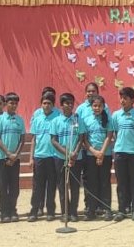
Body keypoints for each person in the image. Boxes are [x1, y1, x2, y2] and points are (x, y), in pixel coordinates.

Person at [51, 93, 87, 223]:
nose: (70, 105)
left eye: (72, 103)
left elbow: (81, 138)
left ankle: (73, 212)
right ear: (61, 105)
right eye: (67, 103)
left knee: (75, 186)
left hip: (76, 158)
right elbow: (54, 140)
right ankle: (64, 212)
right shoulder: (56, 121)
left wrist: (75, 153)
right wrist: (67, 153)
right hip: (61, 158)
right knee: (63, 186)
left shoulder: (77, 120)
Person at [111, 87, 134, 220]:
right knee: (121, 183)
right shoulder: (115, 115)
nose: (122, 100)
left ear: (132, 100)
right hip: (120, 152)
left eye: (125, 98)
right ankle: (122, 210)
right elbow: (115, 133)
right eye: (121, 98)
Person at [28, 90, 61, 222]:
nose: (46, 106)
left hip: (53, 157)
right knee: (37, 186)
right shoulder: (37, 119)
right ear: (41, 104)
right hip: (39, 156)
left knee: (51, 185)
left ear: (53, 105)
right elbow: (34, 140)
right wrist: (31, 158)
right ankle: (34, 211)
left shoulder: (57, 118)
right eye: (44, 103)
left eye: (49, 103)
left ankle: (50, 211)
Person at [0, 92, 25, 223]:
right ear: (6, 104)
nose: (13, 105)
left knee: (14, 187)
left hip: (15, 159)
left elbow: (22, 139)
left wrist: (15, 155)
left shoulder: (20, 120)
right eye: (11, 103)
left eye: (15, 103)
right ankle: (4, 212)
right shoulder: (0, 119)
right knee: (3, 185)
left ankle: (13, 210)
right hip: (2, 158)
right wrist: (8, 154)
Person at [81, 95, 113, 220]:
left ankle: (106, 209)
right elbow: (85, 140)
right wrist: (95, 152)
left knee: (105, 182)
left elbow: (109, 137)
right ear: (91, 107)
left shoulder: (108, 119)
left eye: (99, 106)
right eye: (94, 105)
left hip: (105, 155)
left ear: (104, 107)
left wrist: (101, 153)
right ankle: (91, 209)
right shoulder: (86, 120)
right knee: (92, 183)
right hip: (91, 156)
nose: (97, 108)